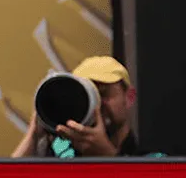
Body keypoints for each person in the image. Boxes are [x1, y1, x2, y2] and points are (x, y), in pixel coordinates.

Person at [11, 56, 140, 158]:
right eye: (86, 97)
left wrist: (106, 156)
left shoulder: (151, 160)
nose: (97, 105)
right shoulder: (58, 152)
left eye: (102, 94)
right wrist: (35, 130)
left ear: (129, 97)